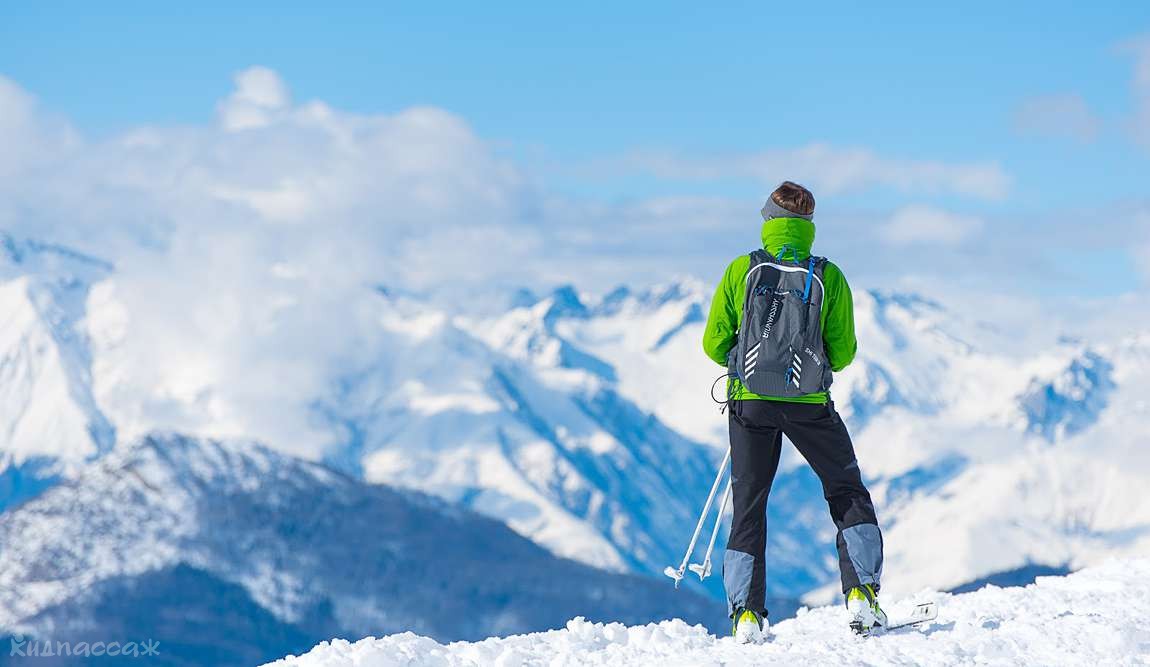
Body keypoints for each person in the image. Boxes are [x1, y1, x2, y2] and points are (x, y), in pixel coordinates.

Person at [701, 181, 885, 643]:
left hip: (750, 402)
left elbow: (713, 343)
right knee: (845, 490)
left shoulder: (742, 271)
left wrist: (747, 364)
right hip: (809, 405)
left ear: (767, 220)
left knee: (750, 504)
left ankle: (746, 615)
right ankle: (861, 593)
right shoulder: (828, 275)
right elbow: (843, 352)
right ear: (810, 226)